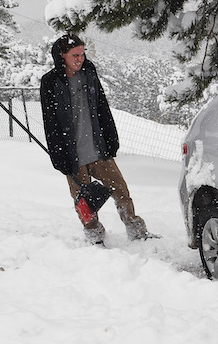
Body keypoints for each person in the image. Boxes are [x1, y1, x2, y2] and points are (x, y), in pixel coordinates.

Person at [39, 34, 156, 245]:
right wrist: (58, 155)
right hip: (72, 155)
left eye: (82, 54)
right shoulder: (50, 82)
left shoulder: (89, 73)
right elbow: (50, 122)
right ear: (61, 55)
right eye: (75, 55)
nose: (80, 59)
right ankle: (95, 238)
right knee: (83, 203)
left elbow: (102, 107)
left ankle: (137, 231)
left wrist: (111, 138)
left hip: (97, 148)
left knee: (121, 191)